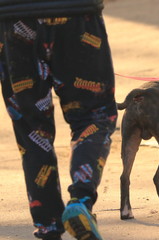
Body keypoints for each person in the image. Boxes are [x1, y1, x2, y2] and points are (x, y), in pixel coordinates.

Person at [0, 1, 118, 239]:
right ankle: (81, 200)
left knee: (32, 130)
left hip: (12, 21)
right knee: (94, 115)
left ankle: (48, 227)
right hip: (76, 16)